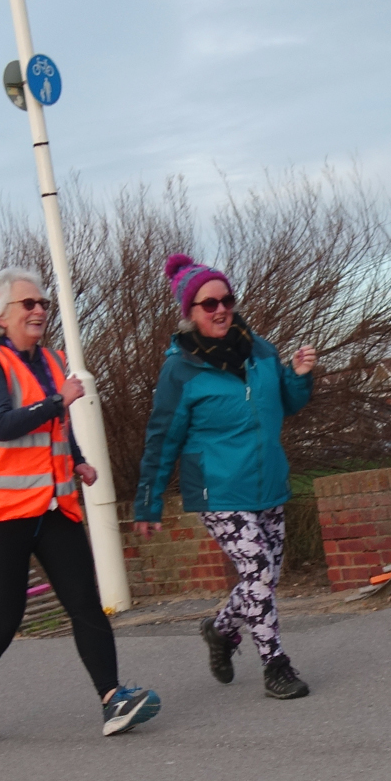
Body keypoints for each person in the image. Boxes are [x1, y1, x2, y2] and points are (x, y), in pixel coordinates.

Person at [0, 266, 161, 745]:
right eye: (29, 303)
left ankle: (113, 701)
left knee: (85, 601)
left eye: (43, 303)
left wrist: (81, 461)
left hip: (52, 509)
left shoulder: (50, 360)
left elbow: (55, 429)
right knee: (6, 615)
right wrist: (57, 399)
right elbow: (2, 424)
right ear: (1, 316)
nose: (40, 309)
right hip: (0, 516)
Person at [133, 254, 316, 699]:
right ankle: (275, 665)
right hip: (219, 488)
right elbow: (162, 437)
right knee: (256, 571)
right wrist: (148, 500)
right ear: (190, 313)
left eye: (226, 300)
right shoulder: (181, 370)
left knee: (265, 578)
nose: (220, 309)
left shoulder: (261, 350)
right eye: (208, 303)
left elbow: (286, 404)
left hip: (267, 480)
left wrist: (298, 377)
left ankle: (219, 630)